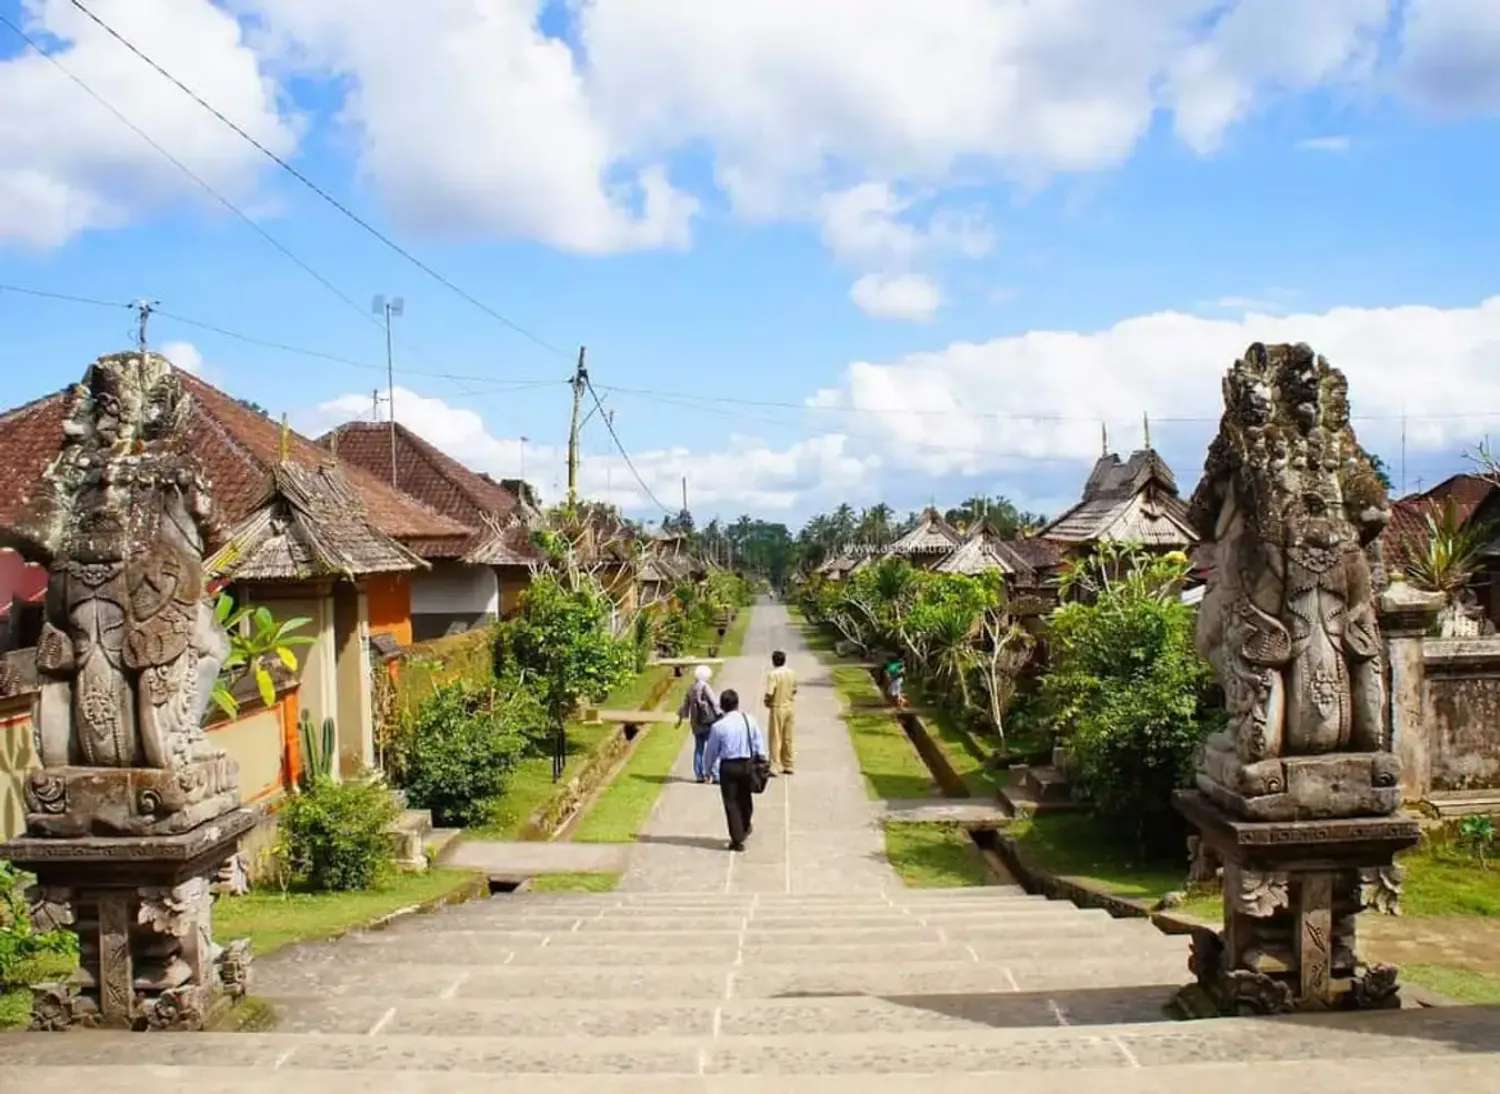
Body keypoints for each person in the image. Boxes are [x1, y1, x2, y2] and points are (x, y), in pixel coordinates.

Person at [701, 689, 765, 852]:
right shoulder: (749, 720)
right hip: (747, 763)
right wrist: (762, 758)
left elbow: (711, 751)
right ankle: (745, 824)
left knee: (731, 802)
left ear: (722, 706)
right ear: (737, 703)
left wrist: (707, 770)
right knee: (745, 797)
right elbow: (758, 741)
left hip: (728, 766)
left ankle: (737, 838)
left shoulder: (718, 727)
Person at [676, 664, 721, 783]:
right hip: (707, 722)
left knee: (699, 749)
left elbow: (684, 707)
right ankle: (715, 774)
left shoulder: (691, 688)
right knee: (712, 749)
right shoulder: (705, 687)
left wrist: (681, 717)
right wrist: (721, 714)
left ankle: (699, 775)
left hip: (696, 723)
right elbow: (715, 703)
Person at [763, 649, 797, 775]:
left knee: (775, 737)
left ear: (773, 661)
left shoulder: (773, 674)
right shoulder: (791, 673)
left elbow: (770, 692)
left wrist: (767, 702)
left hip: (777, 707)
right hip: (789, 706)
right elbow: (794, 690)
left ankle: (775, 765)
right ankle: (788, 764)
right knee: (788, 737)